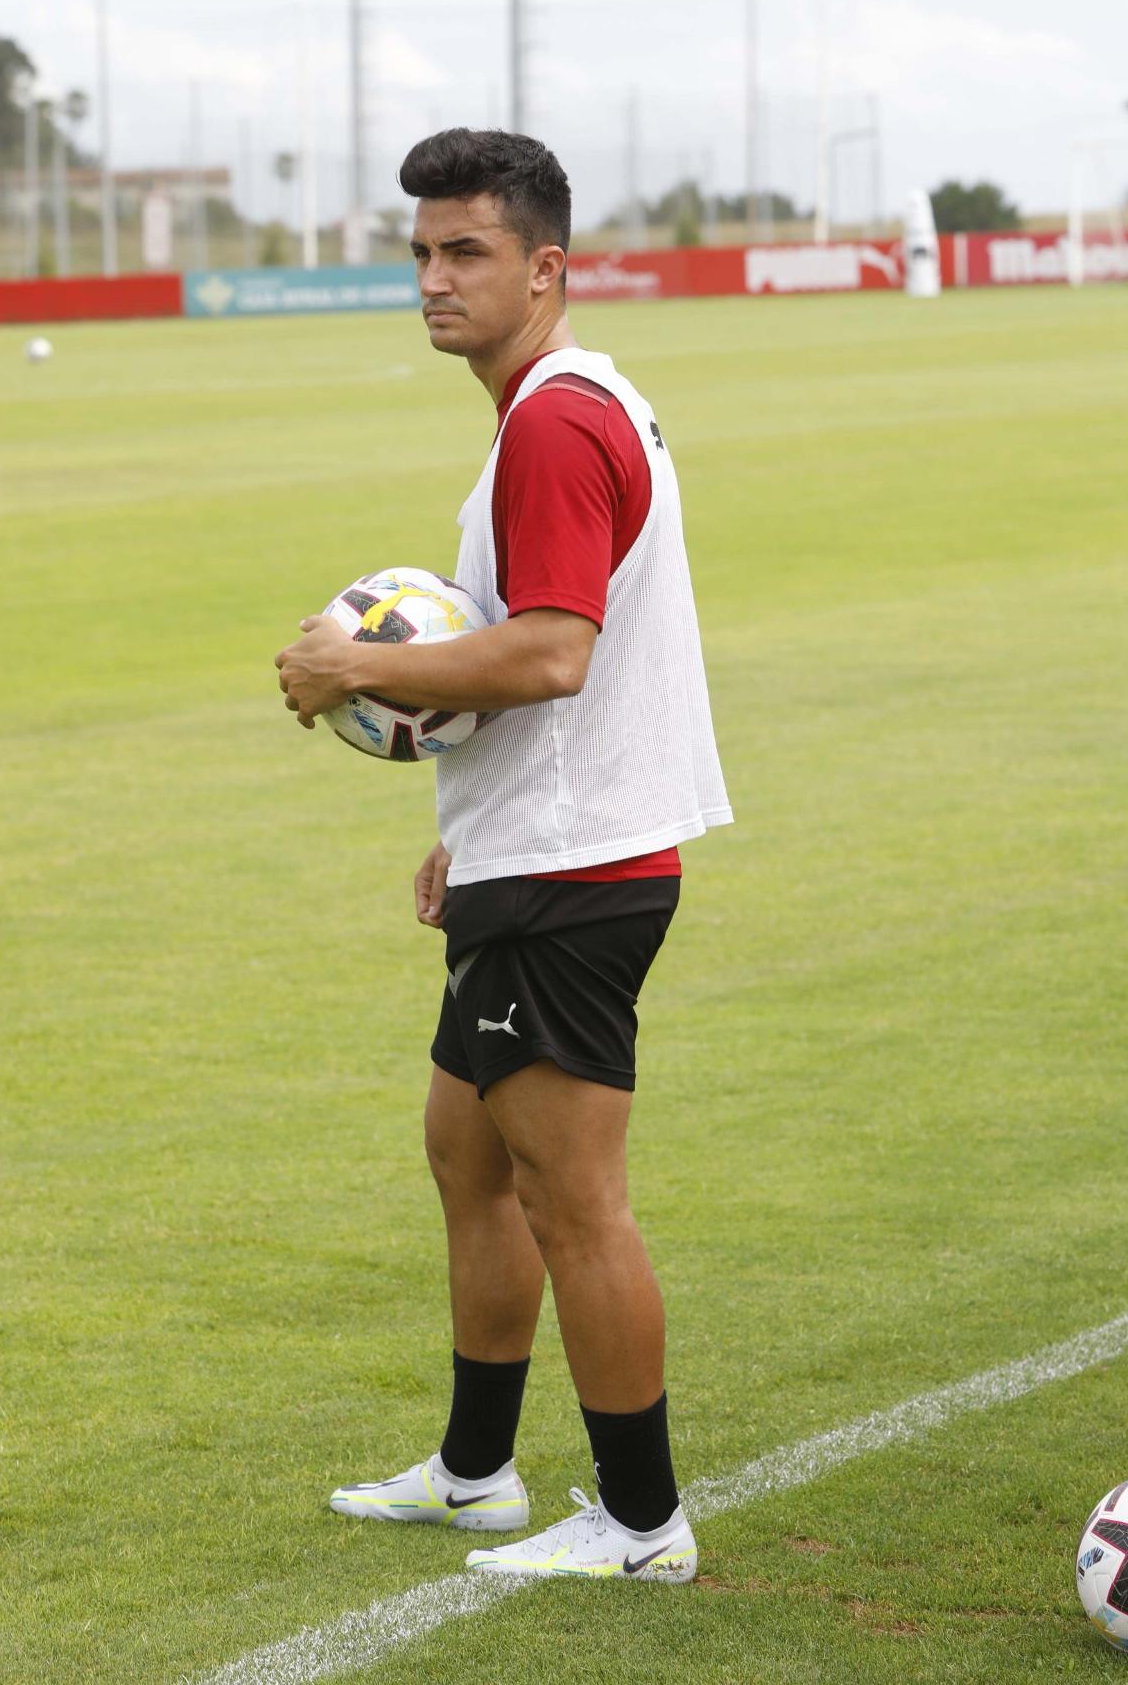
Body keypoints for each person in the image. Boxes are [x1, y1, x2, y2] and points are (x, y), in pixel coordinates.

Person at [274, 128, 731, 1583]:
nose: (433, 278)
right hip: (531, 854)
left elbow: (550, 652)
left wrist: (354, 667)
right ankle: (476, 1475)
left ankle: (645, 1524)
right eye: (420, 252)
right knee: (465, 1153)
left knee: (570, 1198)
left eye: (465, 251)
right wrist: (463, 833)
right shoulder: (562, 403)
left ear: (546, 267)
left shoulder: (551, 421)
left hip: (575, 876)